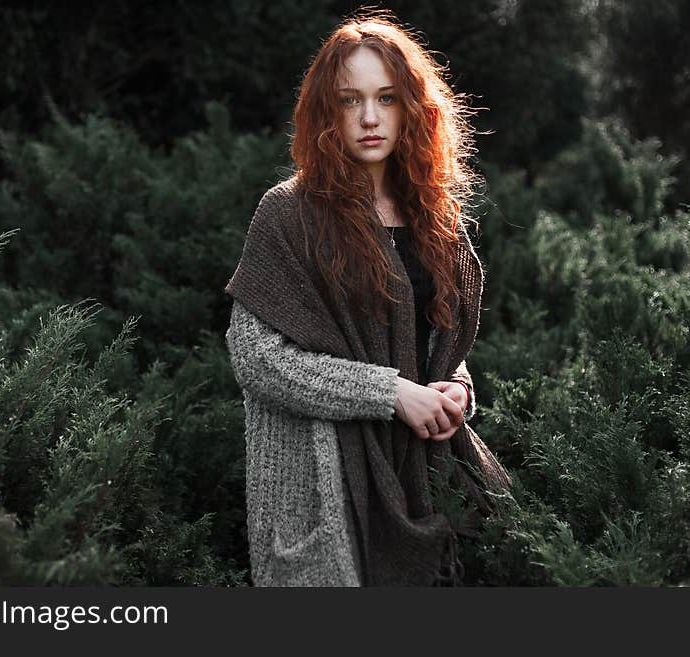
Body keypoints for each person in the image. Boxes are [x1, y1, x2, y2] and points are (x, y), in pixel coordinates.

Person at [224, 12, 510, 587]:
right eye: (351, 101)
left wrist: (456, 386)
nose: (371, 117)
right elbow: (256, 359)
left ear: (413, 107)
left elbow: (436, 342)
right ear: (326, 112)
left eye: (386, 97)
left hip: (429, 475)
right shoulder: (288, 215)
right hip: (331, 484)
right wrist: (389, 393)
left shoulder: (434, 218)